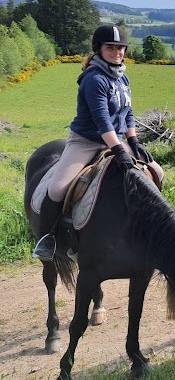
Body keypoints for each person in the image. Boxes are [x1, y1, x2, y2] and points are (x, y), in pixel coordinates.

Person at [33, 24, 154, 261]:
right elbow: (101, 121)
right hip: (86, 141)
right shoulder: (94, 78)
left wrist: (133, 140)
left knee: (156, 172)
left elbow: (128, 113)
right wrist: (119, 149)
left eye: (121, 48)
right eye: (111, 47)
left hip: (117, 139)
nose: (117, 52)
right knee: (57, 190)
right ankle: (48, 239)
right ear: (98, 49)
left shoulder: (123, 78)